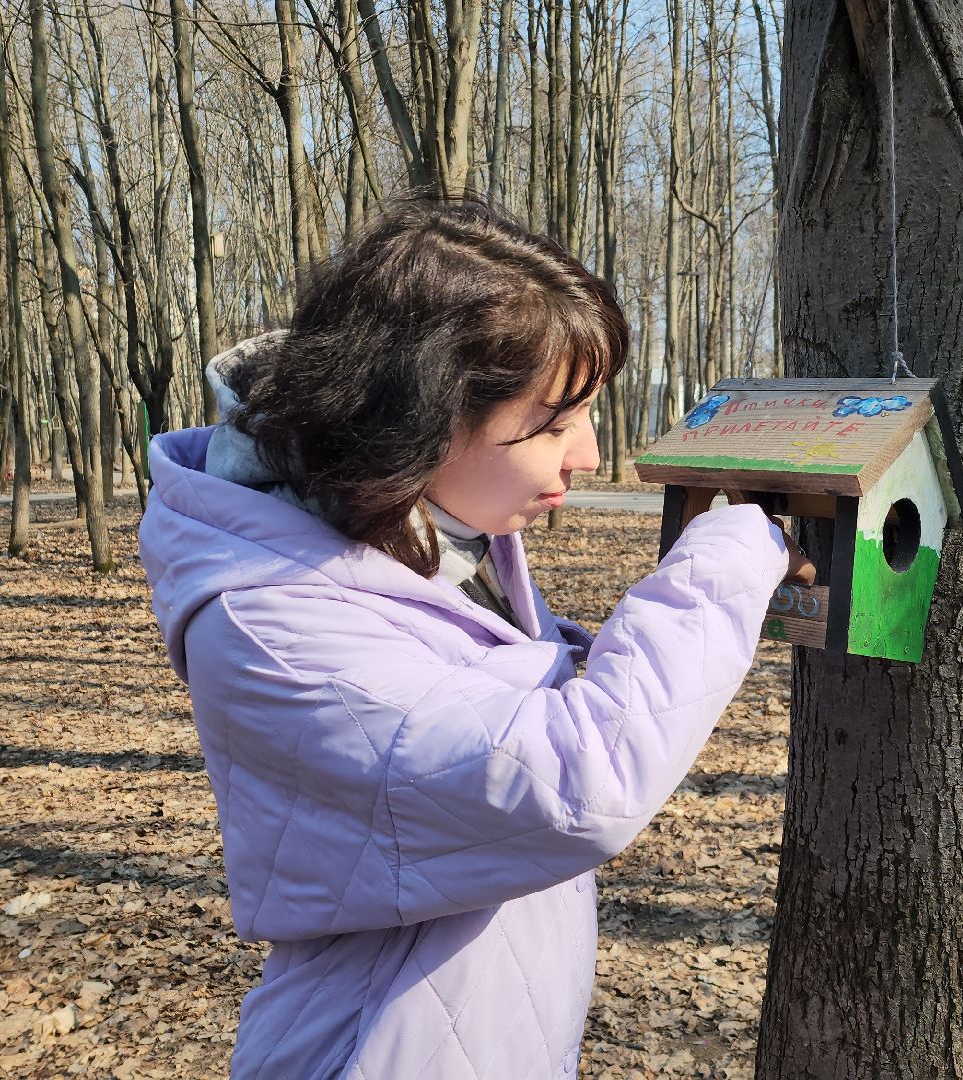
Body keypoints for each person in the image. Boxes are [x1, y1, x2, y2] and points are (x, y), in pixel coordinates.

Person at [138, 195, 809, 1078]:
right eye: (556, 422)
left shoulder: (415, 542)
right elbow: (569, 784)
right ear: (425, 418)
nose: (590, 456)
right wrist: (732, 554)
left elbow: (466, 696)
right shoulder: (274, 620)